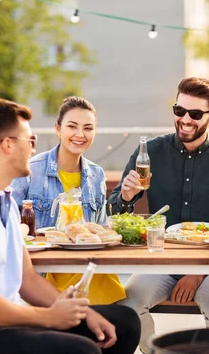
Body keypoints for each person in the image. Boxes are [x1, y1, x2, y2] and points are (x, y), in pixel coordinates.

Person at [0, 98, 140, 354]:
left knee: (124, 323)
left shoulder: (3, 201)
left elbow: (26, 278)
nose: (35, 148)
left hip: (14, 323)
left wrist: (82, 312)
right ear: (8, 145)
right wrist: (48, 318)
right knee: (80, 353)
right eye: (30, 139)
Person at [108, 77, 209, 354]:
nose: (185, 119)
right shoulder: (149, 153)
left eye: (195, 114)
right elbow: (115, 214)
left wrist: (197, 272)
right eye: (179, 111)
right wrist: (125, 196)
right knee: (127, 302)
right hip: (162, 261)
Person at [12, 96, 126, 305]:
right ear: (58, 128)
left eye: (88, 128)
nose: (80, 135)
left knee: (128, 320)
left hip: (91, 273)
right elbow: (8, 226)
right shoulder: (30, 169)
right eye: (72, 126)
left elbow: (100, 230)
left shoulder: (96, 175)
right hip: (44, 277)